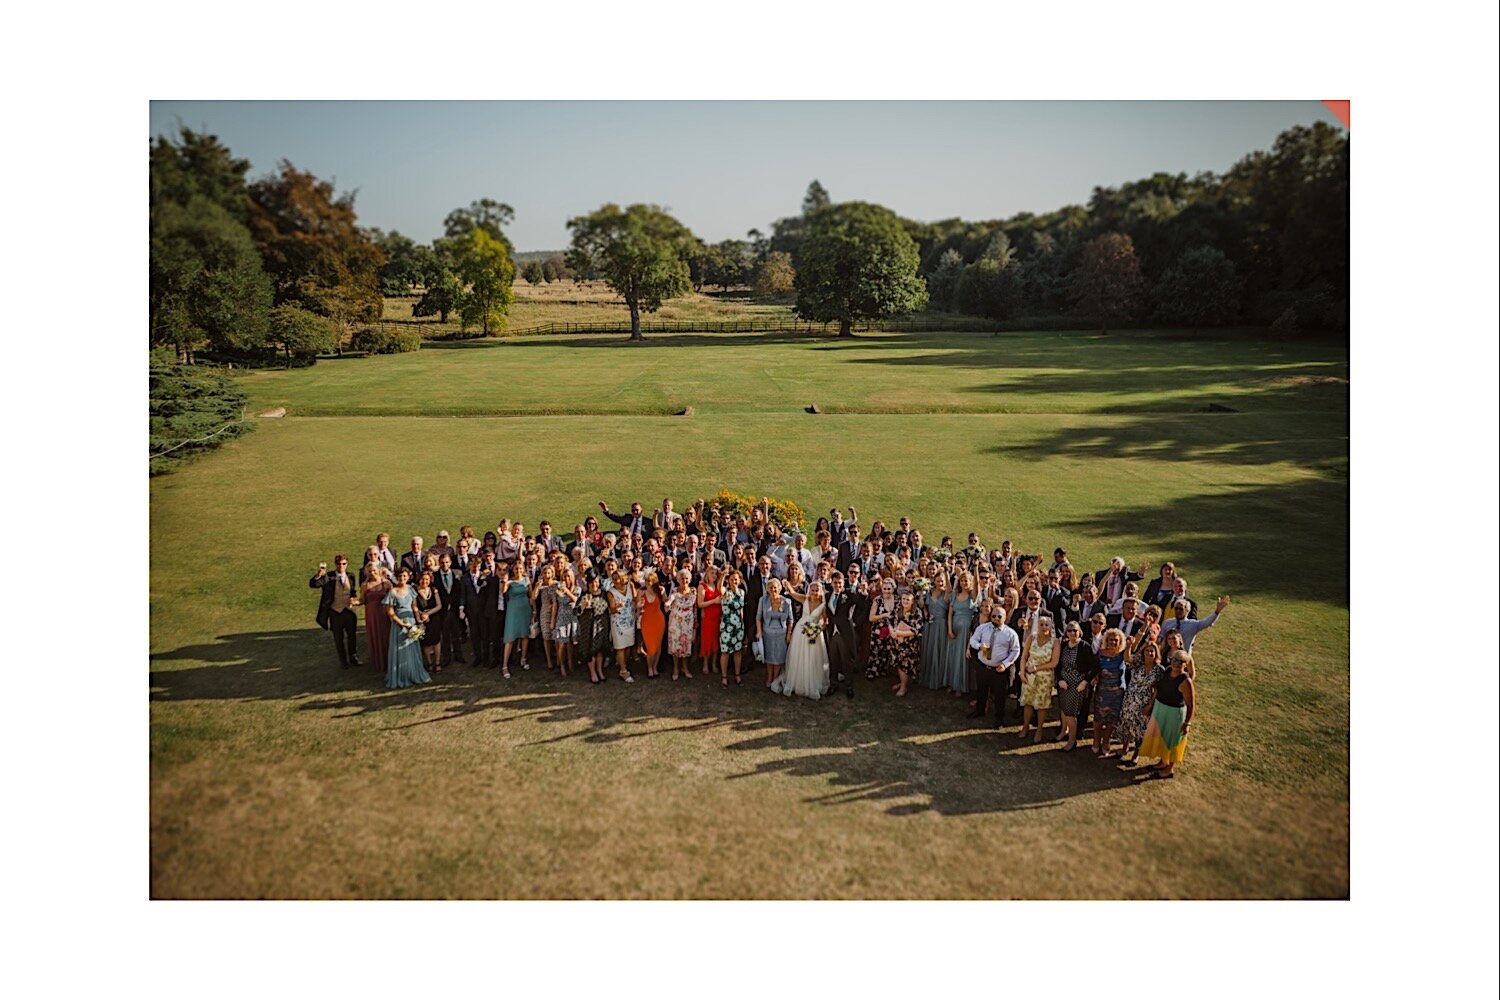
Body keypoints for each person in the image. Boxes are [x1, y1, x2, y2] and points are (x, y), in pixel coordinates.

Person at [1137, 651, 1196, 779]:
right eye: (1174, 660)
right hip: (1160, 708)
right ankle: (1163, 761)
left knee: (1173, 740)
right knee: (1161, 737)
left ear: (1185, 664)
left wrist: (1187, 723)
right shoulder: (1166, 671)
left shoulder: (1186, 681)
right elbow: (1157, 690)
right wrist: (1151, 705)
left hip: (1174, 714)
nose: (1176, 664)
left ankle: (1170, 769)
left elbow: (1191, 705)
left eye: (1180, 662)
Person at [772, 580, 831, 700]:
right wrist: (787, 584)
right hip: (800, 631)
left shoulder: (823, 605)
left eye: (816, 590)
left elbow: (826, 621)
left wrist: (818, 629)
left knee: (812, 658)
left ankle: (810, 683)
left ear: (820, 591)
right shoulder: (805, 599)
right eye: (812, 590)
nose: (814, 593)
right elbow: (793, 593)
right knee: (798, 656)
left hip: (814, 633)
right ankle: (797, 681)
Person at [968, 602, 1022, 726]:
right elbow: (973, 640)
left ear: (1004, 617)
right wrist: (979, 646)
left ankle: (999, 718)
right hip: (983, 666)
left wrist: (1005, 664)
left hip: (999, 670)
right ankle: (979, 711)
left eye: (999, 617)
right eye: (994, 616)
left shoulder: (1010, 633)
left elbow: (1015, 650)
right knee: (981, 691)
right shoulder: (982, 628)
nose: (996, 619)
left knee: (999, 696)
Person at [1117, 626, 1164, 760]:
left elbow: (1157, 689)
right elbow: (1127, 659)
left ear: (1156, 654)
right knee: (1126, 724)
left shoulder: (1158, 670)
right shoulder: (1138, 663)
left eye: (1152, 651)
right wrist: (1128, 647)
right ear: (1143, 653)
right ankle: (1124, 748)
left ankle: (1135, 755)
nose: (1149, 653)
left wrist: (1150, 705)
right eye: (1147, 651)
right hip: (1130, 699)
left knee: (1140, 729)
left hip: (1144, 702)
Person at [1054, 621, 1101, 751]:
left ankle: (1072, 740)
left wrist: (1085, 681)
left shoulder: (1084, 646)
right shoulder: (1064, 645)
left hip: (1076, 685)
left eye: (1075, 630)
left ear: (1080, 632)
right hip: (1063, 682)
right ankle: (1063, 731)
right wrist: (1059, 679)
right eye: (1069, 630)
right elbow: (1058, 664)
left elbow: (1095, 666)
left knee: (1070, 713)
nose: (1072, 633)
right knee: (1063, 709)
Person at [383, 567, 432, 689]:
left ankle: (414, 672)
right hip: (399, 623)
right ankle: (401, 676)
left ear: (408, 577)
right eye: (400, 576)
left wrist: (418, 619)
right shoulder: (392, 592)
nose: (402, 579)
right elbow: (390, 612)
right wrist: (402, 624)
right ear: (396, 577)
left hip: (411, 620)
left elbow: (414, 606)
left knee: (412, 648)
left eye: (404, 576)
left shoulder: (411, 590)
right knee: (400, 649)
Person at [309, 555, 360, 668]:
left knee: (352, 636)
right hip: (335, 611)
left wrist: (354, 599)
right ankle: (343, 661)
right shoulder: (328, 577)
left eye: (343, 564)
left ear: (347, 564)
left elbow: (352, 591)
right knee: (338, 638)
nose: (341, 566)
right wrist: (318, 575)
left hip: (349, 611)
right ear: (335, 564)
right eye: (339, 564)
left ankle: (353, 657)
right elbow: (314, 584)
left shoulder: (351, 576)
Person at [1018, 616, 1060, 743]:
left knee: (1042, 705)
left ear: (1050, 627)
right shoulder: (1032, 638)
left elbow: (1054, 663)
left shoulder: (1055, 642)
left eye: (1046, 625)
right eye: (1041, 624)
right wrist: (1022, 673)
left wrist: (1036, 668)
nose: (1043, 627)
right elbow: (1024, 657)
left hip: (1045, 678)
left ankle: (1039, 729)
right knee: (1028, 702)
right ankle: (1025, 726)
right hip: (1029, 676)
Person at [826, 572, 865, 698]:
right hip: (832, 632)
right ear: (831, 583)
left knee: (846, 660)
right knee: (833, 659)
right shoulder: (827, 596)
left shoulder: (848, 594)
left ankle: (849, 686)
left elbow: (862, 602)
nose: (837, 585)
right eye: (835, 583)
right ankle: (833, 684)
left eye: (840, 583)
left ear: (844, 583)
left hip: (845, 633)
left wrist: (855, 621)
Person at [1092, 627, 1128, 757]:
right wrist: (1095, 677)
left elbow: (1134, 649)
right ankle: (1096, 740)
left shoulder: (1122, 654)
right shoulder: (1100, 653)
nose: (1113, 642)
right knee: (1098, 718)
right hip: (1102, 691)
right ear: (1106, 640)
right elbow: (1094, 668)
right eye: (1111, 640)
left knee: (1112, 719)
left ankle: (1106, 742)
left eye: (1116, 640)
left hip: (1117, 692)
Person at [944, 571, 978, 694]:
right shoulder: (955, 594)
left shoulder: (972, 596)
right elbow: (950, 613)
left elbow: (977, 584)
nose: (964, 583)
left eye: (966, 581)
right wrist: (949, 629)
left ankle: (960, 686)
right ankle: (952, 683)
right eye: (962, 580)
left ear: (970, 582)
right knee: (953, 655)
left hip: (966, 629)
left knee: (962, 657)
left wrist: (975, 567)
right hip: (954, 627)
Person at [1160, 595, 1230, 653]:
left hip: (1184, 658)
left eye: (1181, 609)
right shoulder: (1167, 623)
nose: (1178, 611)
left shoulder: (1192, 624)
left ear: (1187, 611)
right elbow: (1160, 639)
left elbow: (1207, 622)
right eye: (1176, 608)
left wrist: (1217, 611)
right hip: (1167, 657)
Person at [756, 578, 793, 688]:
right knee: (769, 656)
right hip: (767, 633)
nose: (773, 590)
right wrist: (759, 631)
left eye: (775, 587)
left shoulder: (786, 602)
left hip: (781, 634)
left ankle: (775, 678)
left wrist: (789, 634)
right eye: (770, 588)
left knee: (778, 657)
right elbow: (758, 617)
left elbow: (791, 620)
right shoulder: (763, 600)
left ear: (779, 589)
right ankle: (769, 676)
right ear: (767, 589)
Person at [889, 590, 927, 697]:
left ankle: (903, 687)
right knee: (898, 664)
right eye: (903, 599)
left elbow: (917, 630)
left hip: (908, 644)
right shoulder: (898, 609)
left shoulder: (916, 613)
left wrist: (900, 633)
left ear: (912, 601)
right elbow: (890, 621)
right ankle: (902, 682)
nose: (905, 601)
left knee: (904, 666)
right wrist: (891, 630)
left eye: (908, 600)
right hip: (896, 642)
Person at [576, 576, 611, 684]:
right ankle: (592, 672)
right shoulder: (585, 595)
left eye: (596, 582)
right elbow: (576, 612)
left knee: (600, 649)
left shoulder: (604, 594)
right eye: (591, 583)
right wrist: (583, 606)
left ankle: (600, 671)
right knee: (590, 650)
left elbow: (610, 608)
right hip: (588, 626)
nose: (594, 585)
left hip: (602, 626)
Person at [500, 562, 532, 677]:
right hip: (513, 609)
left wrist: (534, 611)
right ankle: (504, 665)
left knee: (524, 635)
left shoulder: (527, 580)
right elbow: (503, 591)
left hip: (525, 608)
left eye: (520, 568)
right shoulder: (510, 581)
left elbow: (531, 596)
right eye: (516, 568)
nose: (518, 570)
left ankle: (523, 658)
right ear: (513, 570)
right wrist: (504, 581)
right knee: (510, 637)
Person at [921, 571, 951, 690]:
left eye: (942, 581)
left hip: (941, 625)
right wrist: (926, 613)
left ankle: (939, 679)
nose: (940, 583)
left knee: (939, 650)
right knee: (929, 649)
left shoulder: (947, 594)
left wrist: (947, 570)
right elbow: (923, 606)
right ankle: (928, 677)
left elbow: (949, 586)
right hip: (930, 624)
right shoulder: (928, 592)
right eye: (938, 581)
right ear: (934, 581)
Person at [359, 564, 392, 674]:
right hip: (372, 614)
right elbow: (362, 600)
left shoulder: (386, 583)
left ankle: (389, 661)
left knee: (386, 636)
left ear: (378, 570)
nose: (372, 573)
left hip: (384, 613)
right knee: (375, 636)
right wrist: (354, 602)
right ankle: (378, 663)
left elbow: (393, 597)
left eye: (374, 570)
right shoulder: (365, 585)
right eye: (369, 571)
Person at [432, 553, 463, 666]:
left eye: (446, 562)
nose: (444, 565)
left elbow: (460, 591)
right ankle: (446, 657)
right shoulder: (434, 576)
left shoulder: (458, 573)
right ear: (439, 563)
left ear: (450, 563)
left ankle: (459, 655)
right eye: (442, 562)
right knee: (445, 634)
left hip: (455, 609)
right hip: (442, 610)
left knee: (456, 633)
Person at [606, 570, 637, 683]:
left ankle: (622, 663)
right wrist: (617, 607)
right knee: (620, 647)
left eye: (617, 578)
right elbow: (612, 609)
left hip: (629, 620)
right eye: (613, 578)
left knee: (628, 645)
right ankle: (623, 671)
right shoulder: (611, 592)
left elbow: (635, 598)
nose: (615, 580)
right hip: (618, 622)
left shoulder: (630, 586)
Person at [665, 570, 697, 680]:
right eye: (682, 578)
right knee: (675, 646)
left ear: (690, 579)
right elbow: (670, 601)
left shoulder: (693, 591)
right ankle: (675, 668)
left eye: (686, 578)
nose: (684, 581)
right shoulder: (674, 591)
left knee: (686, 646)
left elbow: (695, 609)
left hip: (688, 623)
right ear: (678, 580)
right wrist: (668, 604)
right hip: (675, 623)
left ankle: (685, 668)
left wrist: (695, 625)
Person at [411, 569, 444, 673]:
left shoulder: (434, 590)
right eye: (422, 579)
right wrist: (421, 616)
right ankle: (429, 663)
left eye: (427, 579)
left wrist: (428, 613)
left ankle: (437, 662)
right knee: (426, 642)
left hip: (434, 618)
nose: (424, 581)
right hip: (421, 619)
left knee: (436, 640)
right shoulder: (414, 591)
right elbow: (414, 607)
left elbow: (439, 605)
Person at [866, 578, 899, 680]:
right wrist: (884, 615)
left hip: (892, 630)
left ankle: (885, 670)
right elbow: (871, 618)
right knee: (876, 651)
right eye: (884, 588)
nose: (886, 591)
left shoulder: (897, 599)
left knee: (888, 650)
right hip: (879, 630)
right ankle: (873, 671)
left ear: (893, 589)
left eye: (889, 588)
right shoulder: (877, 600)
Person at [719, 570, 747, 687]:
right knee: (725, 652)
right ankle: (724, 676)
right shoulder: (726, 592)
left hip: (738, 626)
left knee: (737, 651)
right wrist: (723, 576)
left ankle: (737, 675)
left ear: (739, 581)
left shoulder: (741, 592)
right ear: (728, 581)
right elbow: (719, 589)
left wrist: (742, 624)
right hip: (727, 626)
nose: (734, 582)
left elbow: (741, 610)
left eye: (736, 579)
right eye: (731, 579)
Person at [637, 571, 667, 679]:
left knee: (658, 645)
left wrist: (665, 594)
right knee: (650, 646)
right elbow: (637, 605)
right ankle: (649, 668)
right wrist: (639, 605)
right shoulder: (641, 591)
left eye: (650, 581)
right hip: (646, 620)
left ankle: (655, 667)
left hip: (659, 620)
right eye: (646, 580)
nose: (648, 583)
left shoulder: (660, 590)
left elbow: (666, 602)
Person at [697, 565, 723, 677]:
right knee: (707, 640)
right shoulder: (702, 586)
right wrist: (714, 601)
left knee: (716, 640)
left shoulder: (717, 585)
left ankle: (714, 663)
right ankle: (705, 663)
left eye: (715, 574)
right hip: (707, 617)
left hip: (718, 617)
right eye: (712, 573)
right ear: (707, 574)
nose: (714, 575)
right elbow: (700, 604)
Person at [552, 570, 579, 678]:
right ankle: (562, 665)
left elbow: (575, 600)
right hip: (561, 617)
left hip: (572, 617)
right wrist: (553, 620)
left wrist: (567, 591)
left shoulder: (577, 589)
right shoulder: (557, 589)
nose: (566, 579)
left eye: (568, 576)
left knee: (570, 643)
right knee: (562, 643)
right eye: (564, 577)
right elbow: (555, 605)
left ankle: (570, 662)